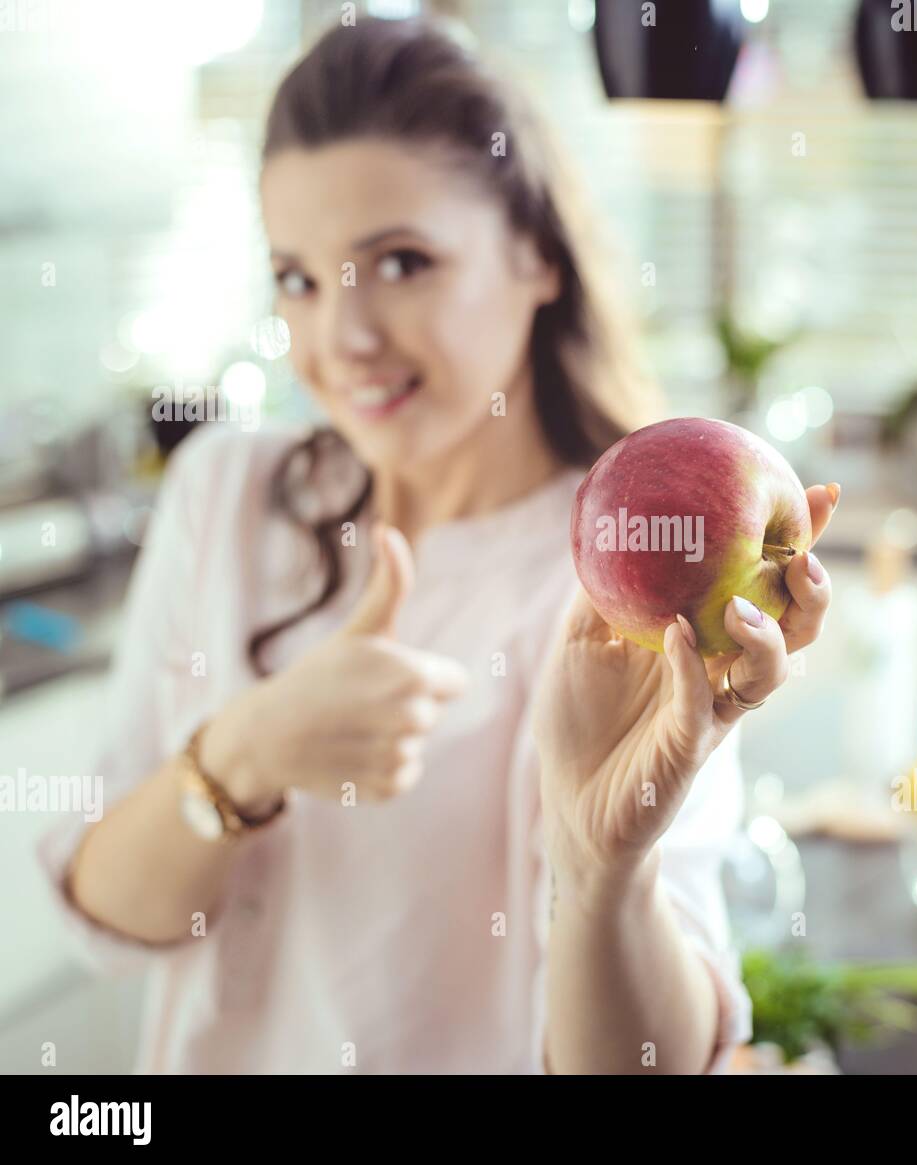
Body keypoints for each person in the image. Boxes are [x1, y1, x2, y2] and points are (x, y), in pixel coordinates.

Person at [38, 14, 837, 1074]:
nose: (343, 337)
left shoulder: (625, 579)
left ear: (536, 255)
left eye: (401, 262)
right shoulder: (222, 492)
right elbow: (104, 914)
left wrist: (602, 868)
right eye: (299, 279)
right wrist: (246, 751)